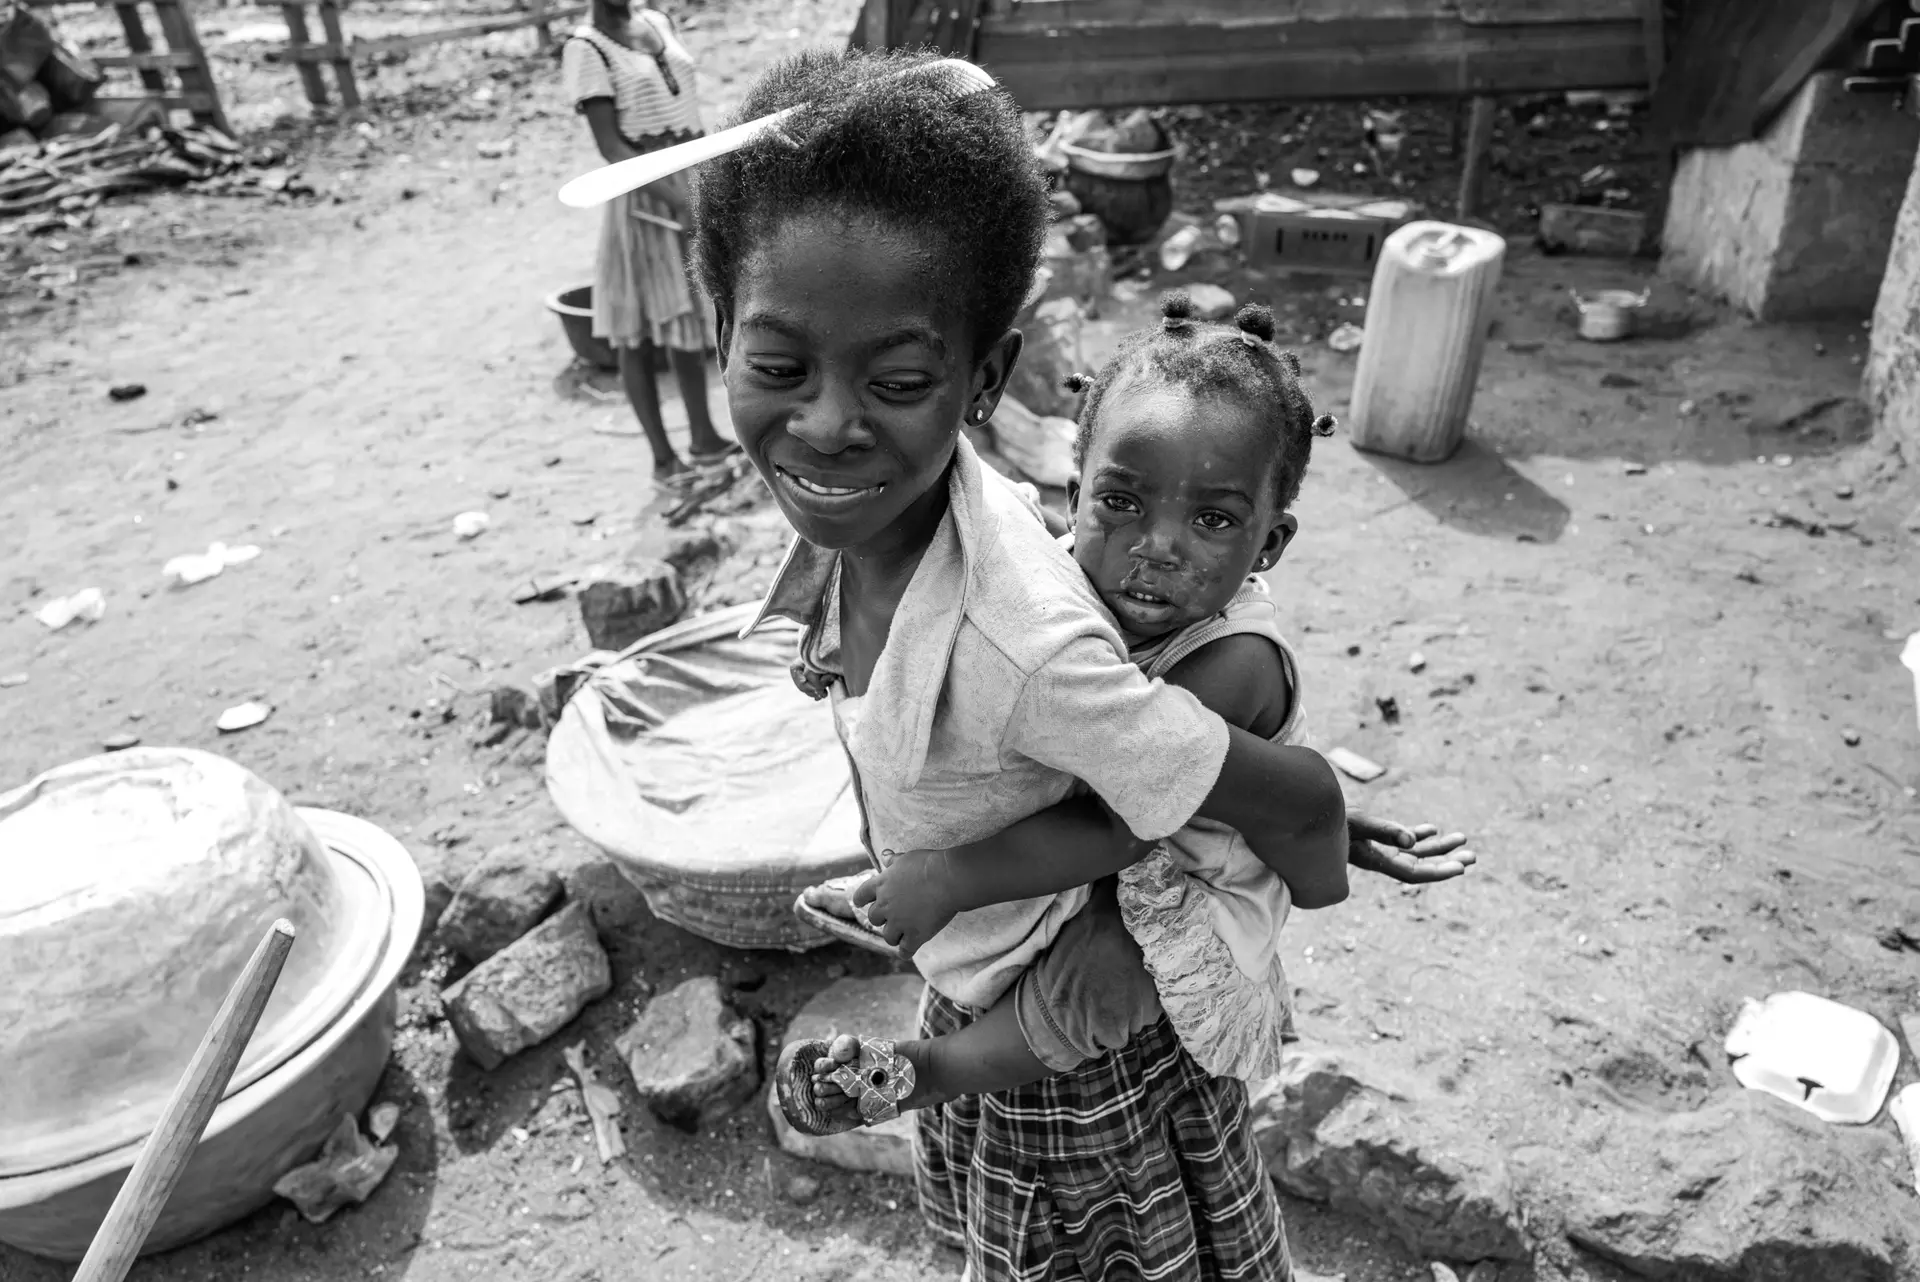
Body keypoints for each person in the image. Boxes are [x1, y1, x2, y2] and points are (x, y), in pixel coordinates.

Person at [683, 48, 1467, 1280]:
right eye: (779, 367)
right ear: (718, 335)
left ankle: (927, 1073)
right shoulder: (874, 524)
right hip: (986, 969)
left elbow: (1282, 788)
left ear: (982, 379)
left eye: (893, 382)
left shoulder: (1031, 643)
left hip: (1085, 1083)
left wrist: (1315, 823)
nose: (829, 421)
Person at [777, 291, 1472, 1125]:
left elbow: (1119, 825)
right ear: (1076, 495)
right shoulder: (1057, 575)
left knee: (1100, 978)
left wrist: (951, 876)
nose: (1158, 545)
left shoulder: (1235, 659)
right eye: (1123, 502)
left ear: (1270, 545)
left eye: (1212, 518)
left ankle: (932, 1071)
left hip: (1190, 879)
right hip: (1139, 826)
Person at [561, 0, 735, 485]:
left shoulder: (657, 21)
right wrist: (676, 199)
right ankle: (662, 458)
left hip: (689, 177)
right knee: (636, 331)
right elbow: (612, 146)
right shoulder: (586, 47)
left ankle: (703, 438)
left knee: (686, 315)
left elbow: (689, 109)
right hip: (641, 194)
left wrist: (701, 183)